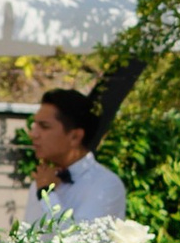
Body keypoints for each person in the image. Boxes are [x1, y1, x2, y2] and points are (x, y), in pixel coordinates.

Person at [17, 85, 128, 225]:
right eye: (35, 125)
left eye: (44, 126)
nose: (33, 134)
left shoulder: (106, 184)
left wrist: (46, 194)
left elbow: (78, 240)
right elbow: (33, 239)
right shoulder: (41, 181)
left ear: (75, 137)